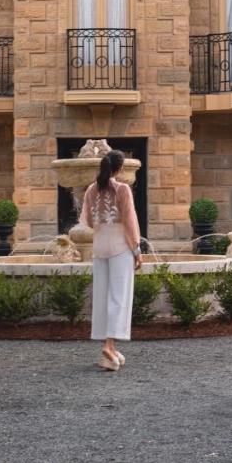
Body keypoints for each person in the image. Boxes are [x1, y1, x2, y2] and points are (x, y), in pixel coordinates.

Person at [79, 149, 141, 371]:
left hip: (100, 246)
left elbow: (85, 221)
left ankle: (111, 348)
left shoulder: (91, 190)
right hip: (119, 246)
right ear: (120, 168)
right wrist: (137, 250)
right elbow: (130, 222)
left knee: (103, 297)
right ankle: (109, 345)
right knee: (119, 297)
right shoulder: (123, 189)